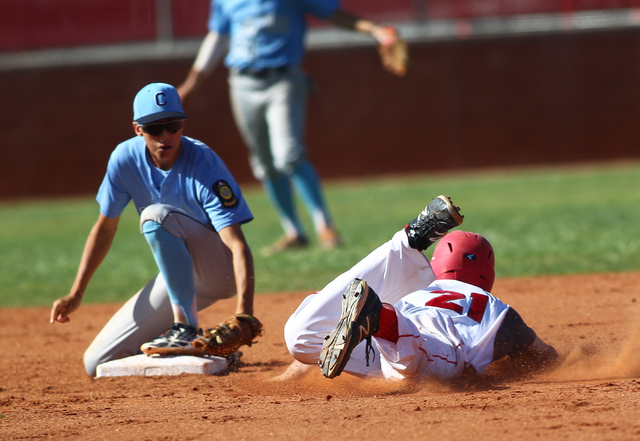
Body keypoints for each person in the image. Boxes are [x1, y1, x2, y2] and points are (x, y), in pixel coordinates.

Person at [50, 83, 256, 377]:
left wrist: (243, 313)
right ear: (137, 129)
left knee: (154, 214)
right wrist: (76, 292)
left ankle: (185, 328)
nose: (165, 135)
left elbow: (236, 245)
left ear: (182, 124)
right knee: (97, 362)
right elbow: (105, 228)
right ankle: (206, 346)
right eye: (154, 128)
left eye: (172, 125)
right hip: (179, 276)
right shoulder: (124, 159)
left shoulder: (204, 162)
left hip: (218, 269)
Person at [177, 0, 405, 255]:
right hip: (242, 83)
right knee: (264, 163)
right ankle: (294, 231)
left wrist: (374, 29)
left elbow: (332, 13)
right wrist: (190, 85)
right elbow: (218, 38)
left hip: (283, 79)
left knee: (289, 154)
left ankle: (324, 225)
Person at [282, 196, 558, 381]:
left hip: (400, 324)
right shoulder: (500, 311)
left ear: (438, 265)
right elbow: (545, 358)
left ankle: (408, 241)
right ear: (487, 275)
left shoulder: (419, 291)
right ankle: (379, 318)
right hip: (428, 344)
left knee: (300, 337)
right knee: (414, 364)